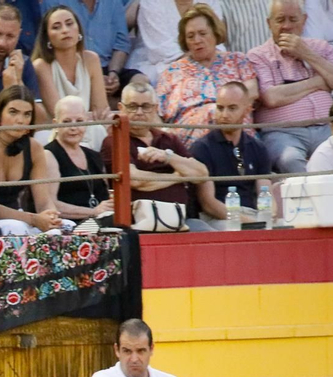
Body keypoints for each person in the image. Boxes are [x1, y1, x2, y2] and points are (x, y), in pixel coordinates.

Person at [246, 0, 333, 173]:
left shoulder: (321, 47)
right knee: (290, 159)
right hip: (283, 132)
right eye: (280, 20)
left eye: (293, 19)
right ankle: (316, 198)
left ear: (304, 21)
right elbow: (272, 97)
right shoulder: (258, 55)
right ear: (269, 23)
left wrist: (307, 54)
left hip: (325, 126)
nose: (287, 26)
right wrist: (318, 82)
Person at [154, 5, 257, 149]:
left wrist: (222, 111)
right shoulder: (172, 72)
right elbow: (156, 114)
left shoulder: (238, 61)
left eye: (202, 33)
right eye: (190, 36)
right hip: (191, 142)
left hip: (236, 134)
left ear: (215, 33)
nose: (197, 40)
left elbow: (252, 92)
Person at [102, 79, 206, 219]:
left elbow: (201, 174)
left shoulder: (169, 138)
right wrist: (179, 177)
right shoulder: (114, 141)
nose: (139, 112)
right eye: (132, 106)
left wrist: (168, 157)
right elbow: (135, 180)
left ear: (155, 108)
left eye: (145, 106)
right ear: (121, 108)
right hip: (139, 223)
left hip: (181, 221)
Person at [0, 85, 62, 234]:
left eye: (27, 114)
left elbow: (43, 201)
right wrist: (34, 219)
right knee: (17, 228)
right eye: (13, 112)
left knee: (58, 231)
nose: (20, 120)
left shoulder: (34, 148)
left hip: (20, 217)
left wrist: (51, 217)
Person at [189, 80, 273, 227]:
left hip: (253, 216)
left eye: (232, 108)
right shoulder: (202, 148)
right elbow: (208, 204)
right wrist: (250, 223)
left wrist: (269, 216)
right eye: (220, 108)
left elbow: (265, 193)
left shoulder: (258, 147)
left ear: (247, 110)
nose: (224, 115)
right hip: (218, 219)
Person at [88, 318, 194, 377]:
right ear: (117, 350)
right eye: (127, 351)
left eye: (140, 351)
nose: (134, 359)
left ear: (151, 349)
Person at [31, 4, 108, 129]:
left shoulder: (91, 59)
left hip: (89, 128)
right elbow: (60, 114)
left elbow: (101, 111)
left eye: (69, 24)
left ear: (79, 30)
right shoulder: (41, 66)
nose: (65, 30)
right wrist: (89, 119)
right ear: (47, 38)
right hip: (57, 133)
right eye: (56, 27)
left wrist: (93, 120)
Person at [44, 95, 112, 219]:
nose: (73, 127)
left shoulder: (94, 156)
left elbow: (106, 195)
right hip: (66, 224)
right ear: (55, 124)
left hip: (100, 221)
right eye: (66, 121)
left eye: (79, 121)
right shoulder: (49, 154)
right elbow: (50, 204)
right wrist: (93, 212)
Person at [59, 0, 129, 92]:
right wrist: (95, 76)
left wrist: (113, 73)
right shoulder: (56, 2)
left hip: (108, 67)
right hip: (75, 68)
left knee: (139, 81)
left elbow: (121, 43)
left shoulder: (113, 2)